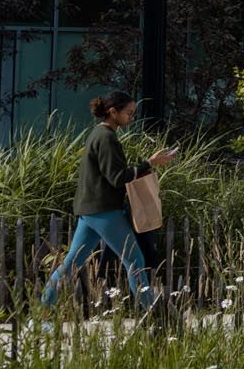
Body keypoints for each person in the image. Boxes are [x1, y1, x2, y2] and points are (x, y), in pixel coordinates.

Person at [40, 92, 176, 316]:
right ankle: (156, 313)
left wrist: (145, 166)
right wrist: (150, 162)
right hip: (103, 209)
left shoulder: (99, 134)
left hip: (90, 209)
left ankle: (40, 314)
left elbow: (111, 174)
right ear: (113, 112)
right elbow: (117, 177)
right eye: (129, 113)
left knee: (72, 262)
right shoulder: (106, 138)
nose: (131, 117)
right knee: (134, 259)